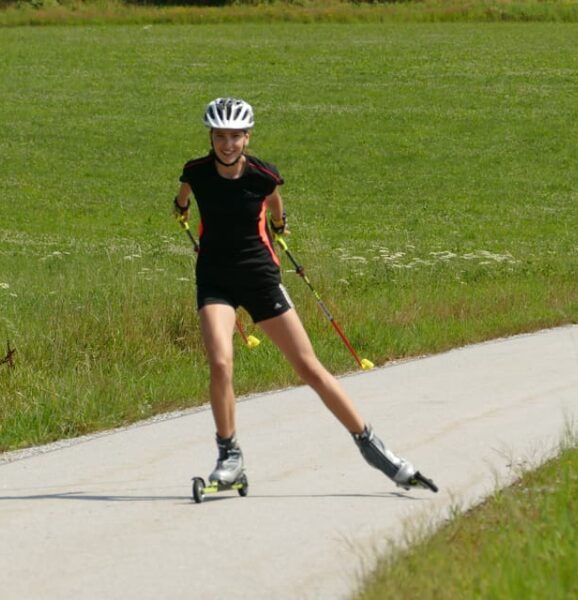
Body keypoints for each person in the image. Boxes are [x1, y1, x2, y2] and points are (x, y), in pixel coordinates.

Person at [174, 98, 425, 491]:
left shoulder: (262, 175)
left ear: (247, 137)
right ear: (210, 136)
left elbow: (274, 200)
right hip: (214, 279)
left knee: (309, 367)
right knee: (221, 363)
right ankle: (229, 455)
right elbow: (185, 193)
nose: (227, 144)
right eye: (220, 136)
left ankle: (374, 447)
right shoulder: (196, 171)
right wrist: (181, 208)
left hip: (259, 277)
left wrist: (279, 222)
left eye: (235, 136)